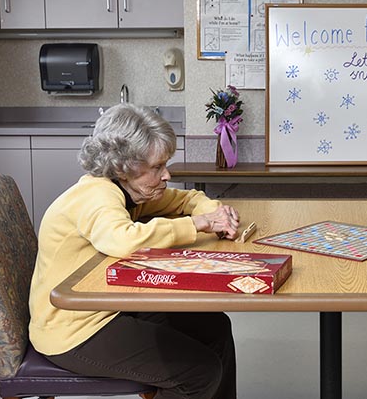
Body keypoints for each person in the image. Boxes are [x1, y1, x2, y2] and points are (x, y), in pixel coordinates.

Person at [28, 103, 240, 399]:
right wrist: (198, 224)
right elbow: (122, 240)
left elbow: (187, 199)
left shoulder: (130, 191)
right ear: (121, 166)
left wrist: (216, 213)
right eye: (157, 167)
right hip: (73, 329)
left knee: (215, 326)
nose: (166, 175)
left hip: (107, 308)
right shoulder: (97, 195)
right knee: (199, 372)